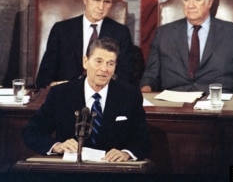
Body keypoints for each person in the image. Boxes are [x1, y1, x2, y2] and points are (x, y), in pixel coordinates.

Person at [22, 38, 151, 162]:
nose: (104, 69)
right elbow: (32, 131)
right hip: (70, 171)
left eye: (110, 63)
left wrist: (126, 153)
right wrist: (57, 146)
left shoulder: (129, 95)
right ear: (85, 61)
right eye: (98, 61)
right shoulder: (61, 94)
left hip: (111, 170)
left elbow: (143, 139)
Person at [140, 0, 233, 94]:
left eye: (197, 0)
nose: (190, 5)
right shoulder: (164, 34)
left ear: (209, 2)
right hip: (174, 104)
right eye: (186, 0)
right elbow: (150, 75)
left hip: (218, 103)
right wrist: (145, 93)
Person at [36, 0, 136, 88]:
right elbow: (43, 78)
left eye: (106, 2)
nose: (101, 7)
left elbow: (126, 78)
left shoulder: (121, 33)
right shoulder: (61, 30)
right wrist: (55, 86)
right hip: (66, 95)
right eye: (96, 0)